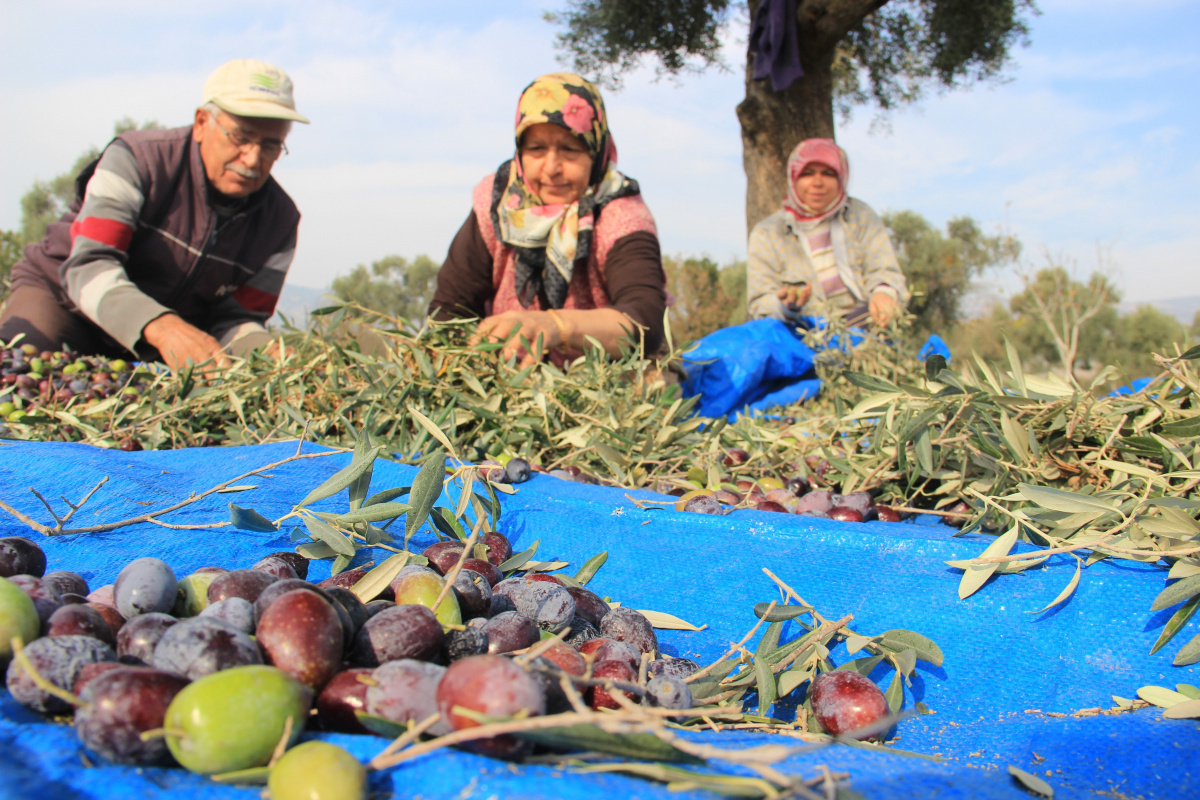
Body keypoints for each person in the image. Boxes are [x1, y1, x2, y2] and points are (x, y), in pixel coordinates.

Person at [0, 59, 309, 372]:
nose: (253, 158)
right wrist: (162, 326)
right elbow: (89, 266)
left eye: (271, 146)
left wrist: (267, 353)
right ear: (202, 122)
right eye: (241, 137)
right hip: (65, 302)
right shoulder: (137, 161)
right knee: (19, 375)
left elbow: (238, 318)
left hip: (159, 343)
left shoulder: (280, 222)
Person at [428, 72, 667, 367]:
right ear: (520, 151)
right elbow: (448, 313)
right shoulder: (498, 205)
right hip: (515, 376)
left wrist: (554, 326)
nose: (552, 168)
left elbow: (644, 324)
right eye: (536, 149)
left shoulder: (621, 214)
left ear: (596, 151)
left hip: (608, 378)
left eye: (570, 149)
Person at [746, 138, 908, 329]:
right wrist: (785, 307)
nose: (817, 182)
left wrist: (884, 293)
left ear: (841, 178)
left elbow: (885, 270)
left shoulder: (861, 216)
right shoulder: (768, 234)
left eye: (828, 173)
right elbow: (759, 301)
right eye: (807, 173)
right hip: (804, 337)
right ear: (793, 178)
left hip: (863, 328)